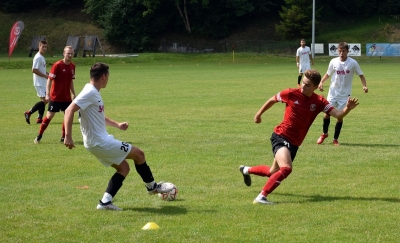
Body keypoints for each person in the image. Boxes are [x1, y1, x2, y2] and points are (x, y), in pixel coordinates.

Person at [63, 62, 174, 211]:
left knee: (124, 168)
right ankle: (152, 187)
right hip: (100, 142)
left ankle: (105, 202)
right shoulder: (90, 92)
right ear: (103, 76)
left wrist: (117, 125)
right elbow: (69, 110)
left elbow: (98, 115)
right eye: (108, 76)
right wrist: (68, 136)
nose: (108, 79)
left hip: (96, 142)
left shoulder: (91, 91)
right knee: (139, 154)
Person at [239, 69, 359, 205]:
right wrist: (258, 114)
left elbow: (338, 115)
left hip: (295, 142)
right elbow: (273, 99)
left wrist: (347, 108)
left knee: (272, 172)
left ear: (315, 87)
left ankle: (246, 169)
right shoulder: (291, 93)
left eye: (308, 85)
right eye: (303, 83)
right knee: (286, 168)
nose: (303, 86)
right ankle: (261, 197)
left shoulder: (319, 101)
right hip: (281, 136)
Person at [316, 42, 368, 146]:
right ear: (337, 51)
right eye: (339, 51)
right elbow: (328, 74)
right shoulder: (333, 61)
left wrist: (364, 86)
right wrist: (321, 82)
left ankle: (335, 139)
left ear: (348, 51)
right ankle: (324, 134)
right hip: (333, 93)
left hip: (344, 95)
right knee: (326, 114)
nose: (341, 53)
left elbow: (361, 75)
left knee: (340, 117)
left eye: (343, 51)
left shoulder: (353, 63)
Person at [34, 46, 76, 144]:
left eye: (71, 53)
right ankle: (39, 135)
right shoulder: (57, 65)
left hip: (67, 98)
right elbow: (49, 79)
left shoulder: (73, 66)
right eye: (68, 53)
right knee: (49, 116)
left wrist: (73, 93)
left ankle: (63, 137)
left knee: (68, 117)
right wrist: (48, 94)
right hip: (56, 97)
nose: (70, 55)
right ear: (63, 53)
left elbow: (70, 81)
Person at [24, 40, 49, 124]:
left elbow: (41, 70)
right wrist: (45, 76)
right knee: (46, 100)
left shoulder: (42, 57)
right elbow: (34, 70)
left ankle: (39, 118)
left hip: (42, 82)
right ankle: (29, 112)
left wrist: (49, 74)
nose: (44, 48)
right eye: (43, 47)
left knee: (43, 101)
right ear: (39, 47)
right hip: (39, 82)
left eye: (45, 47)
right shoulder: (38, 57)